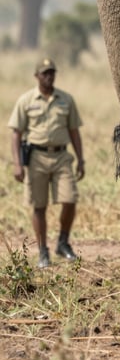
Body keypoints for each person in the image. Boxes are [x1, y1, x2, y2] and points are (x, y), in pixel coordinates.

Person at [8, 58, 85, 269]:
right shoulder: (26, 101)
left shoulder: (66, 100)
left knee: (70, 199)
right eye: (44, 73)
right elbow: (16, 133)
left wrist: (81, 159)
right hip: (36, 158)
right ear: (37, 76)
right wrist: (17, 163)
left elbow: (74, 132)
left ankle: (63, 242)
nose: (49, 76)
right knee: (38, 206)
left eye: (52, 72)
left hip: (61, 156)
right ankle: (43, 251)